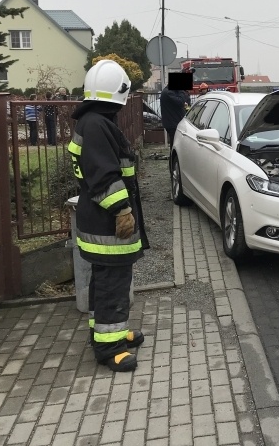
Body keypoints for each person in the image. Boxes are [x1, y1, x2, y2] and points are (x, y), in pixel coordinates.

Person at [68, 60, 149, 372]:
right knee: (112, 284)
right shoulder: (97, 126)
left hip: (99, 220)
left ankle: (108, 331)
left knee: (105, 281)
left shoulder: (92, 121)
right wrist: (122, 210)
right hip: (108, 224)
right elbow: (104, 176)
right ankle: (109, 348)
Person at [160, 81, 191, 147]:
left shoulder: (170, 92)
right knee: (175, 144)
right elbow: (180, 101)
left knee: (175, 144)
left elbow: (179, 103)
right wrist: (181, 91)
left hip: (174, 122)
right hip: (172, 123)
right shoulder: (168, 93)